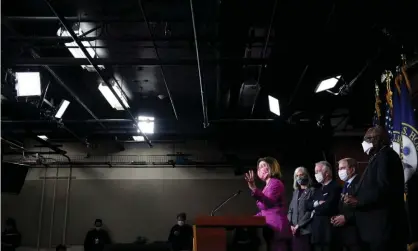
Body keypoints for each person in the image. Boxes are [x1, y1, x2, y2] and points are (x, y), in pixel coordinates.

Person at [344, 126, 408, 251]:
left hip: (384, 229)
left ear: (378, 139)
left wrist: (359, 201)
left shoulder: (385, 157)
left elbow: (383, 189)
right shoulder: (378, 157)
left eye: (368, 139)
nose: (364, 142)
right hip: (377, 230)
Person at [244, 157, 291, 251]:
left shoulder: (275, 183)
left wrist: (254, 189)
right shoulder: (267, 186)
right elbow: (265, 210)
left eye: (264, 165)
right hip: (270, 227)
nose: (261, 169)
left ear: (272, 167)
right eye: (259, 167)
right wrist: (250, 219)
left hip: (277, 227)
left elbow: (269, 203)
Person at [307, 161, 341, 251]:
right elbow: (308, 205)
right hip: (317, 233)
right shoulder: (317, 190)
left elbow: (328, 207)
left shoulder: (335, 187)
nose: (316, 174)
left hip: (328, 232)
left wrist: (314, 209)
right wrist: (317, 203)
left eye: (318, 171)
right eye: (315, 172)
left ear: (327, 173)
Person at [331, 158, 361, 251]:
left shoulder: (359, 183)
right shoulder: (346, 184)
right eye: (339, 169)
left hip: (357, 234)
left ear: (352, 169)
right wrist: (337, 217)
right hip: (347, 234)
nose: (340, 171)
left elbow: (362, 207)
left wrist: (346, 218)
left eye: (343, 168)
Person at [288, 167, 315, 251]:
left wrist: (298, 225)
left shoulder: (312, 191)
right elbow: (290, 210)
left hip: (306, 231)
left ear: (306, 175)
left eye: (301, 175)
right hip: (294, 232)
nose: (299, 177)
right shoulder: (295, 192)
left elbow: (310, 212)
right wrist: (291, 225)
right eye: (297, 176)